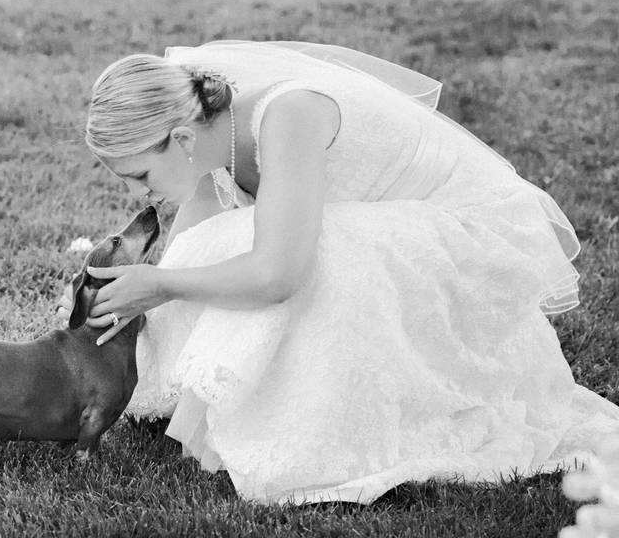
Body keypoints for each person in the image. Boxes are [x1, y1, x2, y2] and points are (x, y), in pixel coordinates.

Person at [56, 40, 619, 505]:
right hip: (395, 231)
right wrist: (118, 300)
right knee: (224, 245)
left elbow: (278, 276)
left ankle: (324, 436)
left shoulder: (289, 115)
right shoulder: (207, 134)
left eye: (137, 174)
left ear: (179, 140)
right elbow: (187, 258)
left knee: (311, 254)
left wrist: (160, 284)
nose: (136, 193)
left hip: (467, 245)